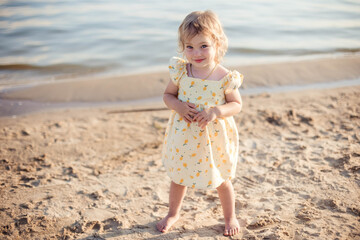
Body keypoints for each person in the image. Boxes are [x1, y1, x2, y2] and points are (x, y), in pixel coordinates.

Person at [157, 10, 244, 237]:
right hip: (184, 135)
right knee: (179, 177)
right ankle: (173, 213)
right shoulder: (181, 72)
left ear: (217, 43)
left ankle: (230, 216)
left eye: (203, 46)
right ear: (182, 46)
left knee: (221, 178)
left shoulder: (224, 77)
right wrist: (179, 106)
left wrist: (216, 110)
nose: (196, 53)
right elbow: (168, 96)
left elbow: (236, 105)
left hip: (213, 137)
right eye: (189, 47)